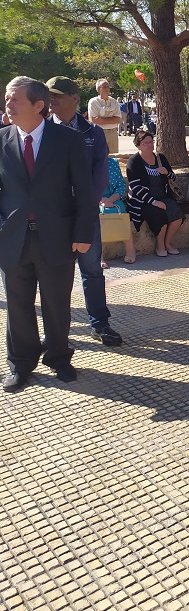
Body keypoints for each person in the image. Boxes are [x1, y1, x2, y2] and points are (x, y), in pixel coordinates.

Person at [0, 77, 96, 391]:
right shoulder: (1, 139)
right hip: (13, 239)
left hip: (56, 237)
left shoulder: (67, 140)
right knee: (18, 306)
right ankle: (21, 363)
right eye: (6, 98)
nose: (7, 104)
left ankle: (58, 357)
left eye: (14, 99)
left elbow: (84, 190)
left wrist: (83, 233)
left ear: (38, 105)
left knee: (56, 304)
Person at [46, 76, 124, 348]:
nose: (52, 100)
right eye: (49, 95)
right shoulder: (43, 129)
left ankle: (100, 324)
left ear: (74, 98)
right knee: (56, 276)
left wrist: (85, 207)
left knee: (92, 271)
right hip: (53, 217)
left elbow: (100, 175)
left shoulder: (92, 133)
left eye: (57, 95)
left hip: (85, 214)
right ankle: (55, 332)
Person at [126, 128, 184, 256]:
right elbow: (135, 187)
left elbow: (173, 178)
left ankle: (168, 243)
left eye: (151, 142)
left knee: (177, 213)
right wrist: (153, 202)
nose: (150, 145)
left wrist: (167, 172)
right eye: (145, 143)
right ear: (138, 145)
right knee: (158, 215)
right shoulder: (134, 161)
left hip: (163, 196)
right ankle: (160, 245)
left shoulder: (160, 158)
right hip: (143, 200)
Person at [99, 156, 136, 265]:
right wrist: (100, 201)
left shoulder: (113, 163)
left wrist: (110, 199)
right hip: (95, 200)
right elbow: (84, 188)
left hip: (113, 198)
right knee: (95, 217)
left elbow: (121, 185)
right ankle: (98, 256)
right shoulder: (84, 164)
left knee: (122, 213)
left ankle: (130, 250)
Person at [88, 79, 122, 155]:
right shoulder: (93, 102)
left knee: (113, 157)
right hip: (99, 133)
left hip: (112, 133)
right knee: (99, 156)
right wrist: (111, 119)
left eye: (108, 87)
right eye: (104, 87)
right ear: (98, 89)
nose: (107, 89)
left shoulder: (114, 102)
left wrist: (101, 120)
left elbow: (117, 120)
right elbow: (94, 120)